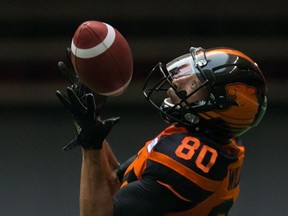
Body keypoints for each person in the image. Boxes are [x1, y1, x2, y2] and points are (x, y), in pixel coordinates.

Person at [56, 46, 267, 216]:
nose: (177, 80)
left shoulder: (188, 161)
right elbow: (115, 180)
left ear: (216, 107)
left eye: (194, 82)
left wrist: (91, 147)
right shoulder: (210, 142)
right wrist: (92, 120)